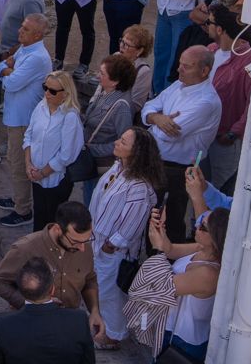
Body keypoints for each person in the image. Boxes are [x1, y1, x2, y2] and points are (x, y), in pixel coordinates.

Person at [88, 127, 163, 350]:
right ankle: (101, 325)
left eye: (123, 142)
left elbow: (132, 224)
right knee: (100, 288)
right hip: (97, 241)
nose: (117, 143)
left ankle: (113, 334)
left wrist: (112, 245)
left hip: (114, 251)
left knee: (110, 293)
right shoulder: (118, 168)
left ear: (136, 152)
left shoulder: (139, 186)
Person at [0, 201, 104, 339]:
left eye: (86, 240)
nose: (82, 248)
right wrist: (32, 305)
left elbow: (89, 279)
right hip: (31, 326)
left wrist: (95, 311)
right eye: (75, 242)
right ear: (57, 229)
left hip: (68, 326)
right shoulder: (25, 248)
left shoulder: (84, 247)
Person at [141, 45, 221, 242]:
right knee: (149, 215)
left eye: (186, 66)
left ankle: (165, 264)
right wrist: (157, 118)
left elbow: (170, 135)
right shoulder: (178, 85)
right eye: (180, 64)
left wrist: (154, 121)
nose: (179, 70)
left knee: (170, 221)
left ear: (204, 71)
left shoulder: (206, 102)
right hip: (157, 161)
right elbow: (149, 106)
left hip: (178, 170)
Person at [147, 206, 229, 361]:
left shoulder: (208, 273)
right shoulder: (200, 248)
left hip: (183, 340)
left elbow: (159, 287)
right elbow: (170, 249)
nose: (196, 226)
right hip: (172, 329)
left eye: (203, 227)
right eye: (200, 221)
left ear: (215, 237)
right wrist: (159, 232)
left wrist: (157, 247)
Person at [0, 14, 54, 228]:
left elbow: (10, 83)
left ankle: (23, 209)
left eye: (26, 29)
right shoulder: (24, 49)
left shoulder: (37, 56)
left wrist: (8, 71)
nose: (20, 31)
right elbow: (0, 68)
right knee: (14, 159)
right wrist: (8, 70)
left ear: (38, 35)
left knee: (19, 163)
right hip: (15, 115)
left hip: (24, 119)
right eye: (22, 26)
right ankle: (19, 198)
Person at [0, 256, 96, 364]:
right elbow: (88, 360)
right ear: (52, 290)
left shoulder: (2, 324)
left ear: (21, 291)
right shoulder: (78, 319)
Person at [24, 70, 84, 231]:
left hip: (56, 180)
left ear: (65, 94)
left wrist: (43, 173)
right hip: (36, 175)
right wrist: (28, 164)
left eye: (52, 91)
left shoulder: (70, 117)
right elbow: (29, 135)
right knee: (39, 219)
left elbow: (66, 155)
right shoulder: (41, 106)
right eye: (45, 88)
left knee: (51, 223)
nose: (47, 93)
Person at [204, 4, 251, 191]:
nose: (206, 25)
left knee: (217, 189)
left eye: (209, 22)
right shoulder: (210, 50)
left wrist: (234, 132)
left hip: (224, 139)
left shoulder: (248, 59)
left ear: (219, 29)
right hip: (203, 133)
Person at [76, 54, 136, 204]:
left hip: (101, 164)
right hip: (92, 159)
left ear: (115, 81)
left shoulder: (121, 107)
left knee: (93, 203)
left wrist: (94, 149)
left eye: (102, 73)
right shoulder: (104, 91)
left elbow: (124, 142)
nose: (97, 75)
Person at [116, 24, 154, 111]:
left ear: (140, 50)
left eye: (127, 45)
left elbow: (136, 104)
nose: (121, 46)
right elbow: (100, 88)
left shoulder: (143, 71)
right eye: (122, 41)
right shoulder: (115, 56)